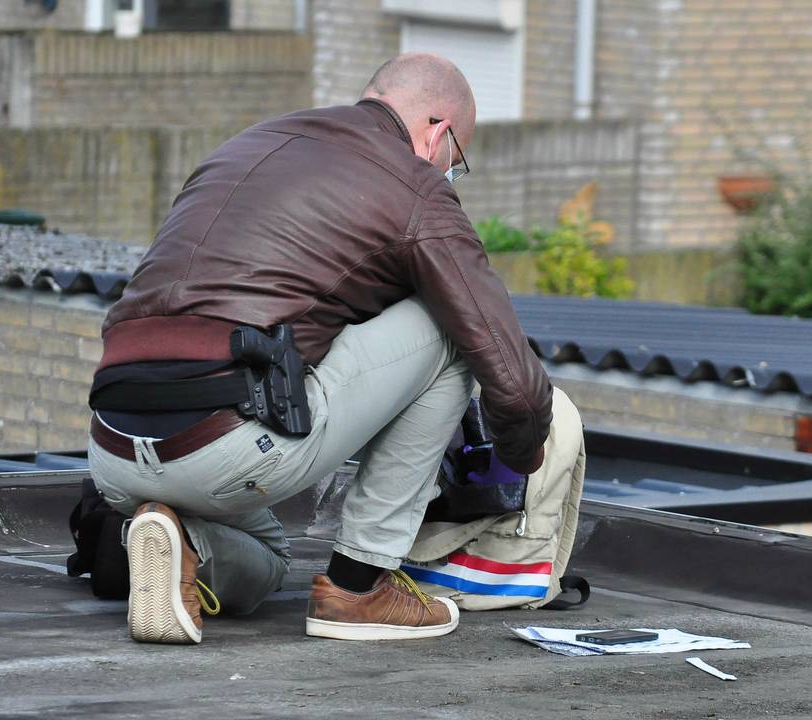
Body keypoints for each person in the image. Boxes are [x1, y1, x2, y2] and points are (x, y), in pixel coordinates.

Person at [86, 53, 553, 645]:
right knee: (452, 330)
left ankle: (174, 542)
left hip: (111, 446)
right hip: (228, 442)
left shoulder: (248, 143)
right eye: (456, 160)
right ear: (439, 133)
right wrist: (524, 456)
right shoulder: (417, 189)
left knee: (266, 564)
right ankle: (357, 588)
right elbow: (509, 373)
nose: (449, 172)